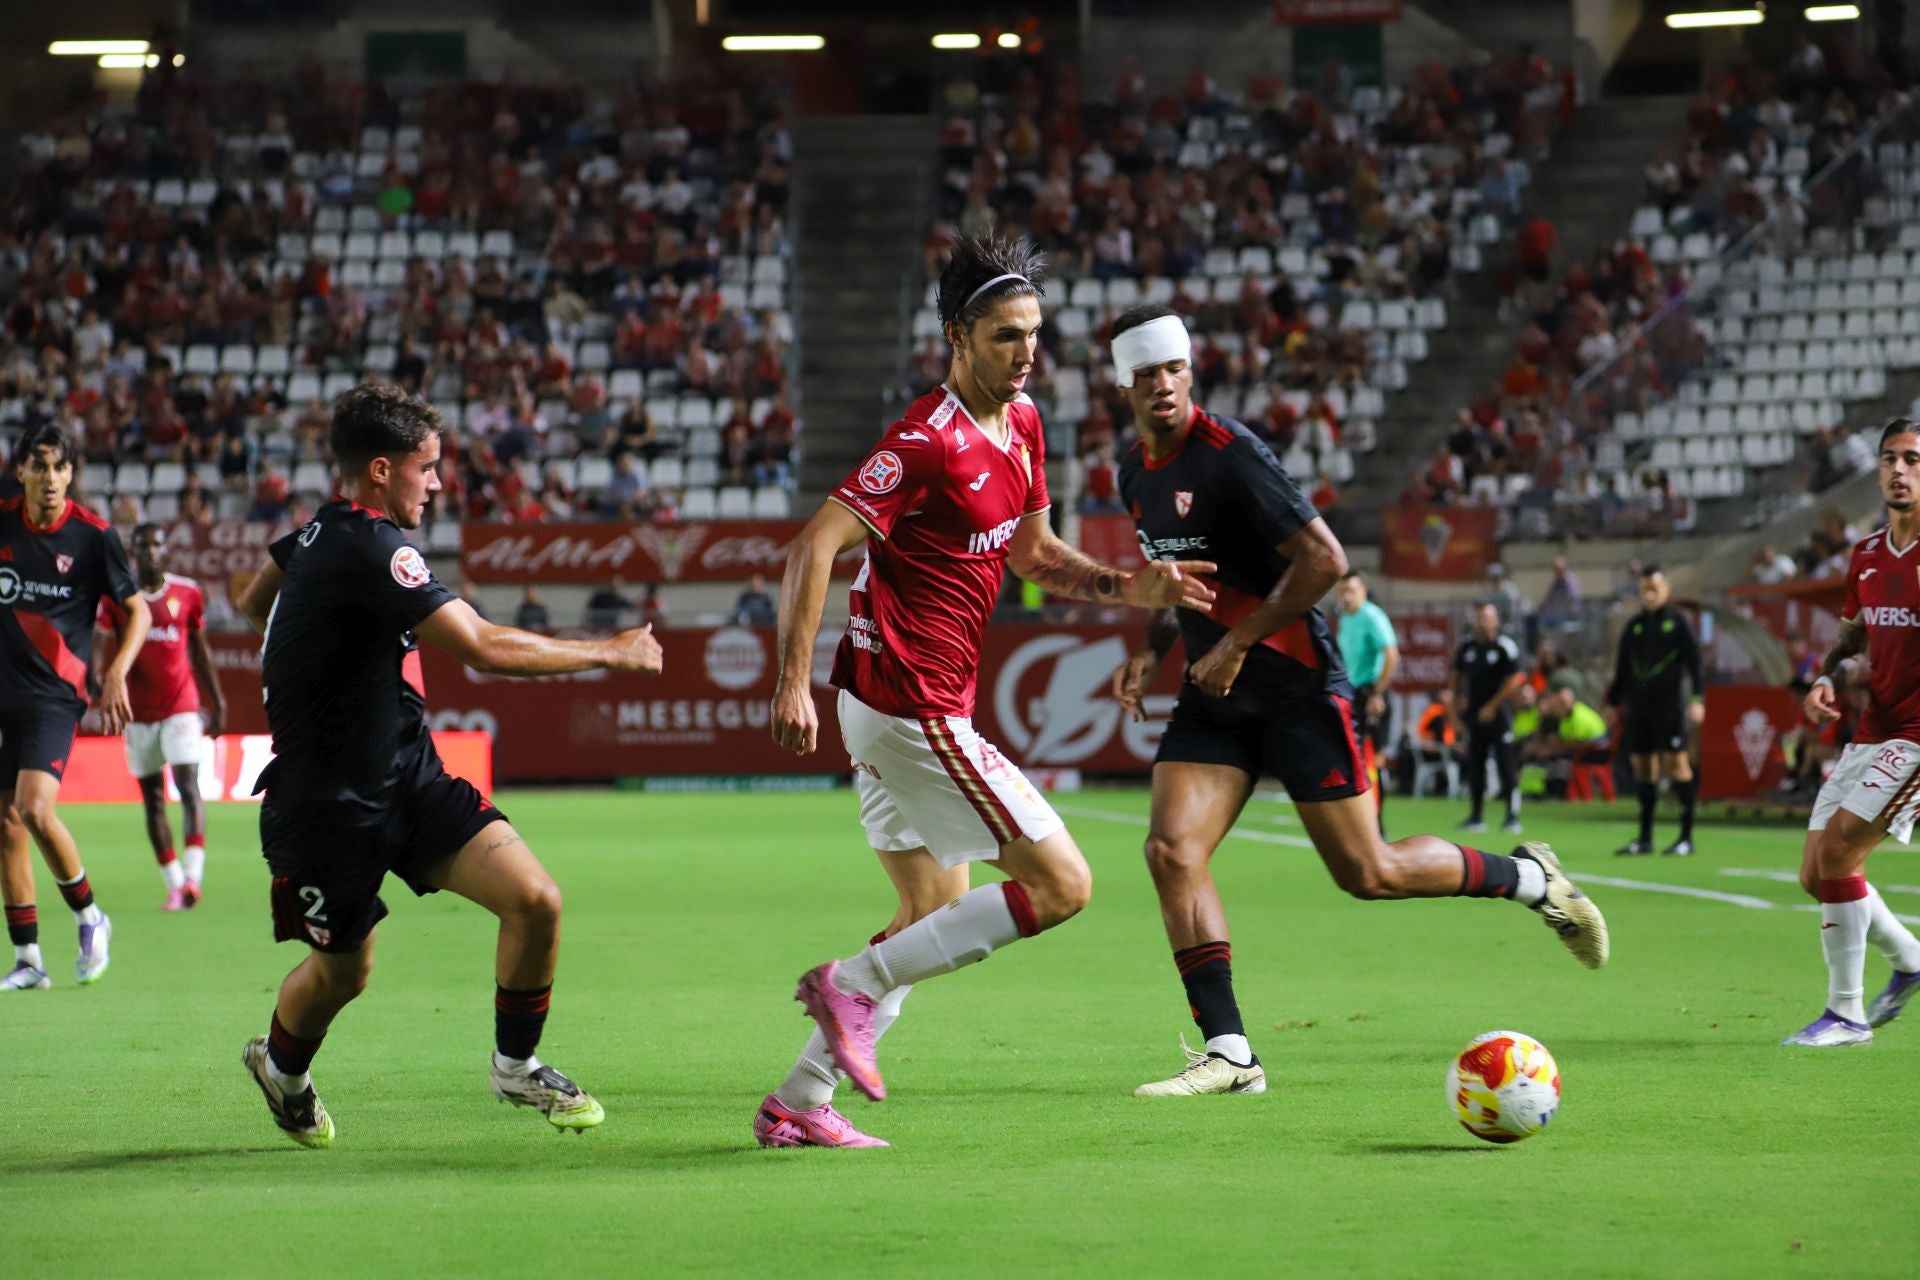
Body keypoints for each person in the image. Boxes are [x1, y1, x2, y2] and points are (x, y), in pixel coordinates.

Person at [756, 239, 1215, 1148]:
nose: (1026, 353)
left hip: (908, 703)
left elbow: (1038, 557)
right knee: (1063, 886)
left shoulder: (1025, 424)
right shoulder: (924, 442)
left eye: (1035, 335)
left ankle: (798, 1103)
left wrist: (1138, 588)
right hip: (908, 703)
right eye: (1007, 337)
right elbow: (813, 547)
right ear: (957, 337)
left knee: (933, 916)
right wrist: (788, 684)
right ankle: (849, 981)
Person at [1105, 303, 1607, 1099]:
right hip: (1215, 697)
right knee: (1171, 852)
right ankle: (1230, 1052)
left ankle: (1529, 879)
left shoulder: (1232, 455)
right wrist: (1148, 651)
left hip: (1297, 687)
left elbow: (1325, 562)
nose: (1160, 385)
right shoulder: (1133, 474)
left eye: (1172, 369)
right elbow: (1183, 583)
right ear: (1122, 383)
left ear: (1190, 371)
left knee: (1369, 872)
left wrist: (1237, 643)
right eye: (1144, 374)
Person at [230, 385, 665, 1146]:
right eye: (425, 468)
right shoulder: (370, 545)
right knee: (343, 976)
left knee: (536, 900)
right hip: (326, 810)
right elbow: (483, 646)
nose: (436, 484)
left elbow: (247, 601)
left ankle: (515, 1065)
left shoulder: (316, 535)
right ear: (378, 470)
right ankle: (283, 1071)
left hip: (410, 778)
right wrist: (610, 650)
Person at [1, 423, 150, 991]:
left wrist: (116, 671)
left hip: (54, 697)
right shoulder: (4, 520)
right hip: (3, 694)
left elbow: (138, 612)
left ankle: (91, 918)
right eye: (38, 466)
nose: (50, 478)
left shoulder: (92, 536)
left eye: (60, 467)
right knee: (6, 826)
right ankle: (29, 960)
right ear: (21, 471)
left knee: (35, 809)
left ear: (71, 474)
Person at [1788, 418, 1920, 1046]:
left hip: (1919, 737)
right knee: (1818, 874)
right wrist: (1826, 679)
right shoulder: (1866, 554)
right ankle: (1911, 958)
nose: (1900, 470)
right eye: (1891, 459)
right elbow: (1852, 635)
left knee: (1841, 851)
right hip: (1875, 727)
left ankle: (1846, 1014)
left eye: (1913, 460)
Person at [94, 524, 227, 909]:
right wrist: (96, 683)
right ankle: (173, 883)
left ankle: (193, 880)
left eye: (156, 544)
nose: (150, 551)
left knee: (188, 785)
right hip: (137, 714)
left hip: (181, 706)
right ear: (133, 553)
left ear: (166, 550)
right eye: (143, 546)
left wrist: (218, 702)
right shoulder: (118, 598)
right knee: (152, 798)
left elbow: (200, 653)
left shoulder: (187, 593)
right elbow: (102, 649)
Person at [1605, 566, 1704, 856]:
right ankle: (1645, 838)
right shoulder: (1634, 627)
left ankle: (1686, 837)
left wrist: (1697, 699)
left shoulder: (1678, 623)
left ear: (1666, 591)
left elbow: (1695, 665)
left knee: (1677, 765)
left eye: (1654, 589)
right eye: (1645, 589)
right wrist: (1613, 703)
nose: (1649, 595)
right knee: (1643, 769)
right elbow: (1622, 671)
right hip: (1638, 709)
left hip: (1669, 708)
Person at [1453, 602, 1527, 834]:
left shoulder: (1505, 647)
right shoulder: (1467, 647)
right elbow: (1456, 676)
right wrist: (1457, 701)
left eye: (1488, 617)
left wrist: (1493, 706)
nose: (1484, 622)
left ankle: (1512, 816)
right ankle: (1476, 816)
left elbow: (1513, 681)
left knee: (1507, 765)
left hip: (1500, 715)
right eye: (1480, 618)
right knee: (1475, 765)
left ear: (1496, 621)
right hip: (1474, 715)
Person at [1334, 571, 1399, 834]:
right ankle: (1362, 821)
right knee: (1355, 760)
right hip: (1353, 696)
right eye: (1343, 591)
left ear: (1363, 591)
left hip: (1371, 695)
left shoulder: (1372, 616)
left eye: (1351, 590)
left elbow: (1392, 655)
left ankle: (1378, 825)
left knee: (1375, 760)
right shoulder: (1345, 619)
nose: (1347, 596)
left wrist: (1378, 693)